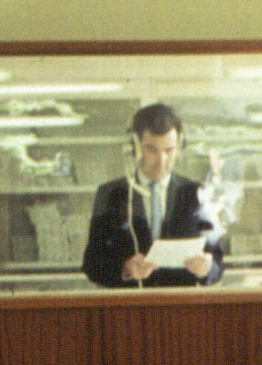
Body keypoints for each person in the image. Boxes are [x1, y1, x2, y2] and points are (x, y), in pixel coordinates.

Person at [82, 102, 224, 289]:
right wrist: (125, 270)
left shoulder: (196, 193)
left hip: (181, 309)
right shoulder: (111, 194)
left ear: (179, 148)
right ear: (135, 147)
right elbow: (92, 264)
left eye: (169, 150)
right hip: (129, 309)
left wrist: (207, 268)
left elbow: (218, 263)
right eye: (152, 150)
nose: (162, 160)